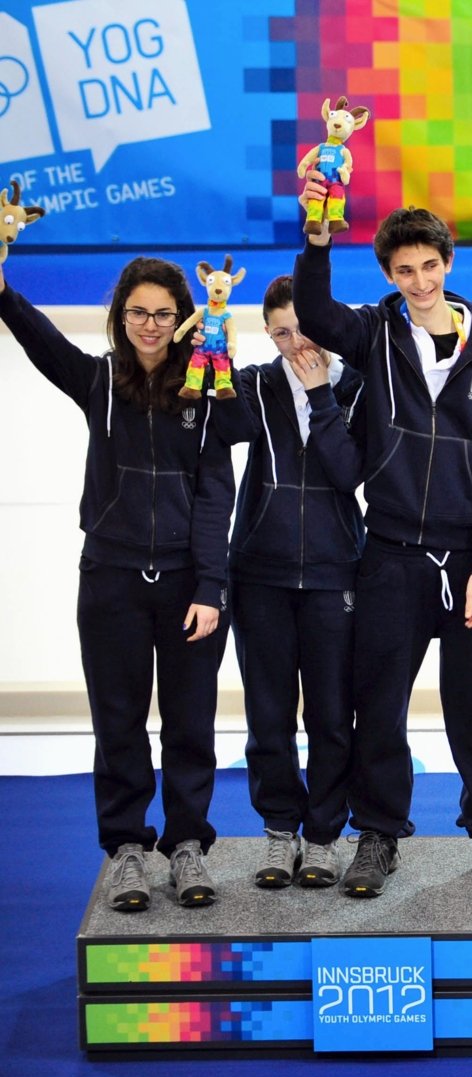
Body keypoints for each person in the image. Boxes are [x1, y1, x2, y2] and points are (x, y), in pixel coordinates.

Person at [294, 202, 472, 898]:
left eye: (430, 266)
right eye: (405, 271)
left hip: (470, 564)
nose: (420, 281)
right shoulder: (373, 332)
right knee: (379, 704)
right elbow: (312, 308)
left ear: (449, 263)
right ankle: (378, 834)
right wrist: (316, 241)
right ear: (390, 276)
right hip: (392, 553)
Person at [1, 254, 233, 910]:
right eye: (138, 312)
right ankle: (127, 848)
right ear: (120, 316)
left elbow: (217, 491)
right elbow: (42, 342)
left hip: (189, 586)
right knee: (120, 722)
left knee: (190, 722)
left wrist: (212, 585)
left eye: (163, 313)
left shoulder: (205, 386)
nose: (150, 325)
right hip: (112, 581)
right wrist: (3, 295)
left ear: (183, 317)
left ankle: (187, 845)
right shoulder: (98, 379)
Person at [215, 274, 363, 889]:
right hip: (261, 576)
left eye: (305, 329)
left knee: (331, 716)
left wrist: (321, 393)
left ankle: (325, 836)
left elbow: (349, 471)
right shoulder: (253, 384)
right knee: (269, 716)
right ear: (268, 335)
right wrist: (217, 360)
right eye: (281, 333)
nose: (297, 343)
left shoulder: (356, 387)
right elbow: (227, 431)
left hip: (335, 575)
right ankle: (280, 830)